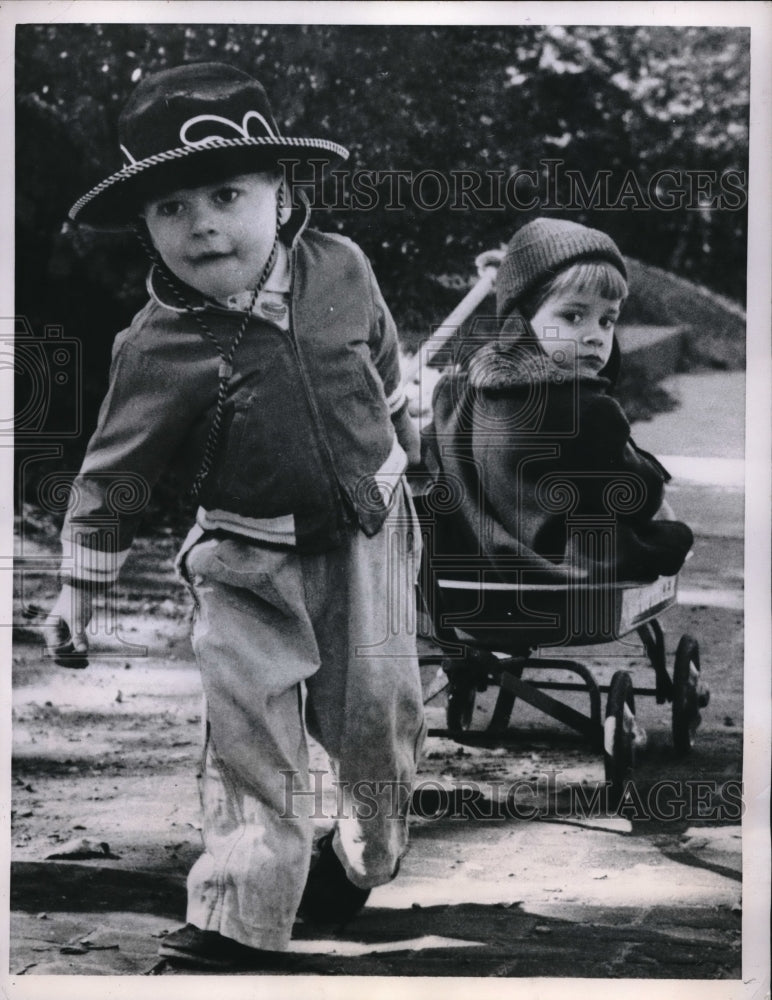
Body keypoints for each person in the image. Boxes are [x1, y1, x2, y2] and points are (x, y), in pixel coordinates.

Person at [44, 62, 426, 970]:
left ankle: (361, 857)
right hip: (244, 557)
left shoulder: (342, 267)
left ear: (280, 191)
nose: (203, 223)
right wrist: (77, 590)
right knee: (249, 741)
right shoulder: (156, 344)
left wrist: (413, 442)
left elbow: (382, 362)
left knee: (378, 724)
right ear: (144, 224)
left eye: (225, 193)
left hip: (368, 535)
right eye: (172, 209)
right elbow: (115, 476)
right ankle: (238, 912)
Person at [421, 217, 693, 588]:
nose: (596, 336)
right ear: (522, 322)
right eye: (574, 316)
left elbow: (429, 456)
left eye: (607, 321)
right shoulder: (586, 407)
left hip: (474, 575)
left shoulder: (455, 394)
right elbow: (639, 495)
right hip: (562, 575)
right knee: (670, 535)